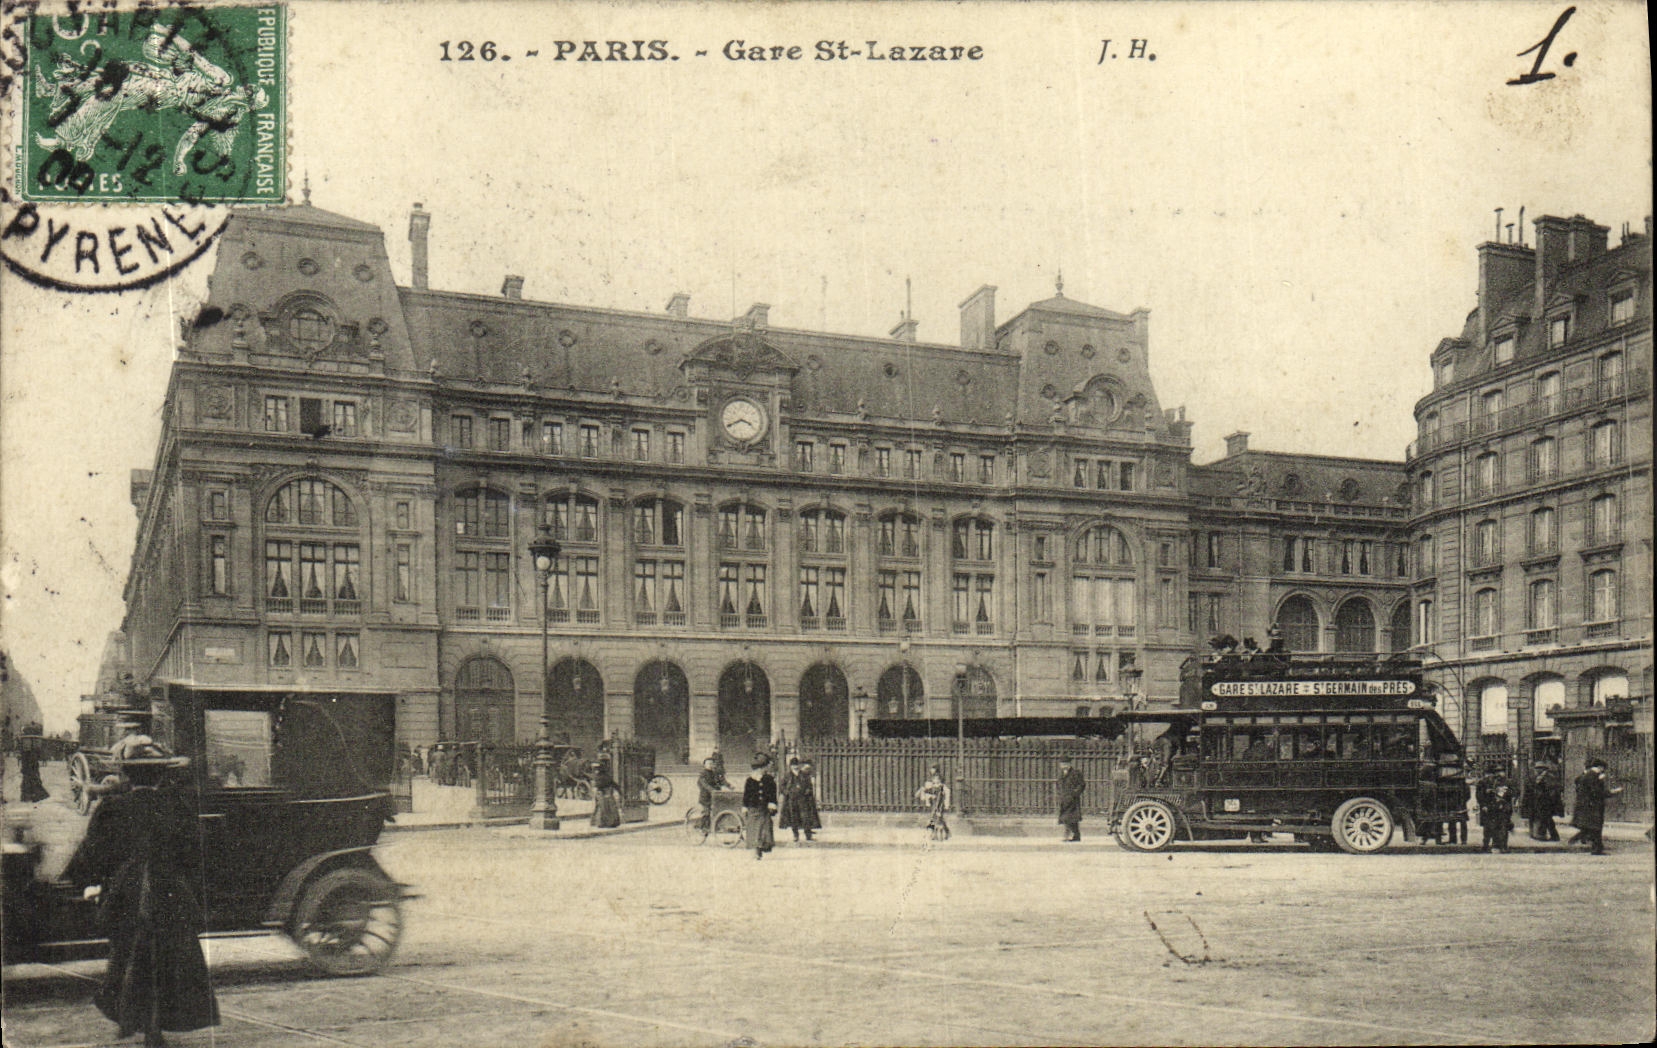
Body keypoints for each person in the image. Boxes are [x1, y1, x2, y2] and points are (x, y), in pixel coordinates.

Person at [62, 743, 217, 1046]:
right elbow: (194, 854)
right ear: (161, 775)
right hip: (170, 894)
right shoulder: (177, 806)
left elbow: (92, 853)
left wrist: (90, 884)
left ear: (127, 775)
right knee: (168, 961)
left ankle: (139, 1021)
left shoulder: (112, 807)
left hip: (126, 895)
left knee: (129, 957)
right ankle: (155, 1027)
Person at [1569, 757, 1621, 855]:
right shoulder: (1593, 776)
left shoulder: (1589, 775)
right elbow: (1596, 792)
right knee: (1596, 827)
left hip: (1588, 805)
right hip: (1592, 806)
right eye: (1603, 768)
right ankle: (1596, 849)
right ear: (1600, 767)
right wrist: (1611, 792)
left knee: (1593, 827)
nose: (1604, 771)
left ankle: (1595, 847)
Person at [742, 754, 777, 860]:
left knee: (764, 830)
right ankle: (756, 851)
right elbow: (746, 794)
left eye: (762, 768)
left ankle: (761, 848)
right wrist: (745, 806)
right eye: (759, 768)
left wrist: (772, 803)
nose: (761, 770)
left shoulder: (769, 779)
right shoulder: (750, 780)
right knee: (754, 830)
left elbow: (772, 793)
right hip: (753, 808)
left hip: (764, 808)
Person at [779, 757, 822, 843]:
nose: (795, 767)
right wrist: (787, 792)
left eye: (796, 765)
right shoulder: (787, 776)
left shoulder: (804, 775)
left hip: (803, 799)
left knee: (805, 817)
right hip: (792, 800)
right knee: (793, 817)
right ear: (790, 766)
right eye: (793, 765)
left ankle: (808, 835)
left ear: (799, 765)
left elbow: (809, 786)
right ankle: (796, 835)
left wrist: (807, 791)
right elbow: (782, 787)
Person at [1477, 771, 1515, 853]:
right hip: (1490, 808)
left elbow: (1513, 792)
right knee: (1488, 828)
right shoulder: (1485, 782)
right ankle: (1487, 846)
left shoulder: (1507, 782)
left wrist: (1504, 794)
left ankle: (1503, 846)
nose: (1498, 775)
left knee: (1503, 827)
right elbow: (1480, 795)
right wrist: (1484, 804)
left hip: (1503, 808)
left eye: (1501, 772)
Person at [1527, 760, 1564, 841]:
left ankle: (1553, 836)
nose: (1536, 770)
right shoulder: (1539, 777)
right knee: (1544, 818)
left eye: (1537, 768)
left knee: (1547, 819)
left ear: (1542, 769)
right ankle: (1543, 835)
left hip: (1547, 802)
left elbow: (1552, 789)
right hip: (1540, 802)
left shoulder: (1549, 777)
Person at [696, 756, 730, 833]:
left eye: (712, 763)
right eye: (708, 764)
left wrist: (729, 786)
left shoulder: (715, 773)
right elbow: (704, 784)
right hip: (706, 797)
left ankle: (716, 825)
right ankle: (703, 827)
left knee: (720, 809)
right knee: (706, 812)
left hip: (716, 795)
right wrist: (712, 790)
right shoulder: (703, 774)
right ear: (704, 765)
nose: (710, 765)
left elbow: (722, 781)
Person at [917, 765, 951, 841]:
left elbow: (946, 793)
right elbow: (926, 792)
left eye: (937, 779)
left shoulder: (941, 787)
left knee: (937, 819)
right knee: (936, 819)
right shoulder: (932, 786)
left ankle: (938, 834)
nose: (935, 780)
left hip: (939, 805)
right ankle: (939, 834)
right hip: (934, 804)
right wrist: (928, 797)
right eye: (934, 779)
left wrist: (946, 804)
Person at [1056, 756, 1086, 842]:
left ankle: (1069, 835)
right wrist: (1060, 795)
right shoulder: (1061, 774)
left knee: (1070, 818)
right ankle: (1075, 835)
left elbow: (1082, 785)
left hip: (1072, 799)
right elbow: (1059, 785)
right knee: (1068, 818)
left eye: (1065, 764)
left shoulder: (1075, 773)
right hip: (1064, 799)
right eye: (1062, 764)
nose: (1063, 766)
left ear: (1069, 764)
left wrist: (1075, 793)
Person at [17, 724, 49, 803]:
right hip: (32, 763)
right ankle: (34, 795)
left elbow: (22, 753)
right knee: (33, 778)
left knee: (27, 778)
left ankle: (26, 796)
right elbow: (38, 752)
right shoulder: (35, 743)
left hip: (27, 763)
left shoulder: (24, 742)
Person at [589, 758, 622, 828]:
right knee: (609, 808)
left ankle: (600, 822)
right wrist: (619, 790)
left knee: (601, 808)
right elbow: (613, 783)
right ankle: (610, 822)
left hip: (602, 793)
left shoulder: (598, 776)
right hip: (607, 793)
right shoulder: (607, 776)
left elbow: (597, 785)